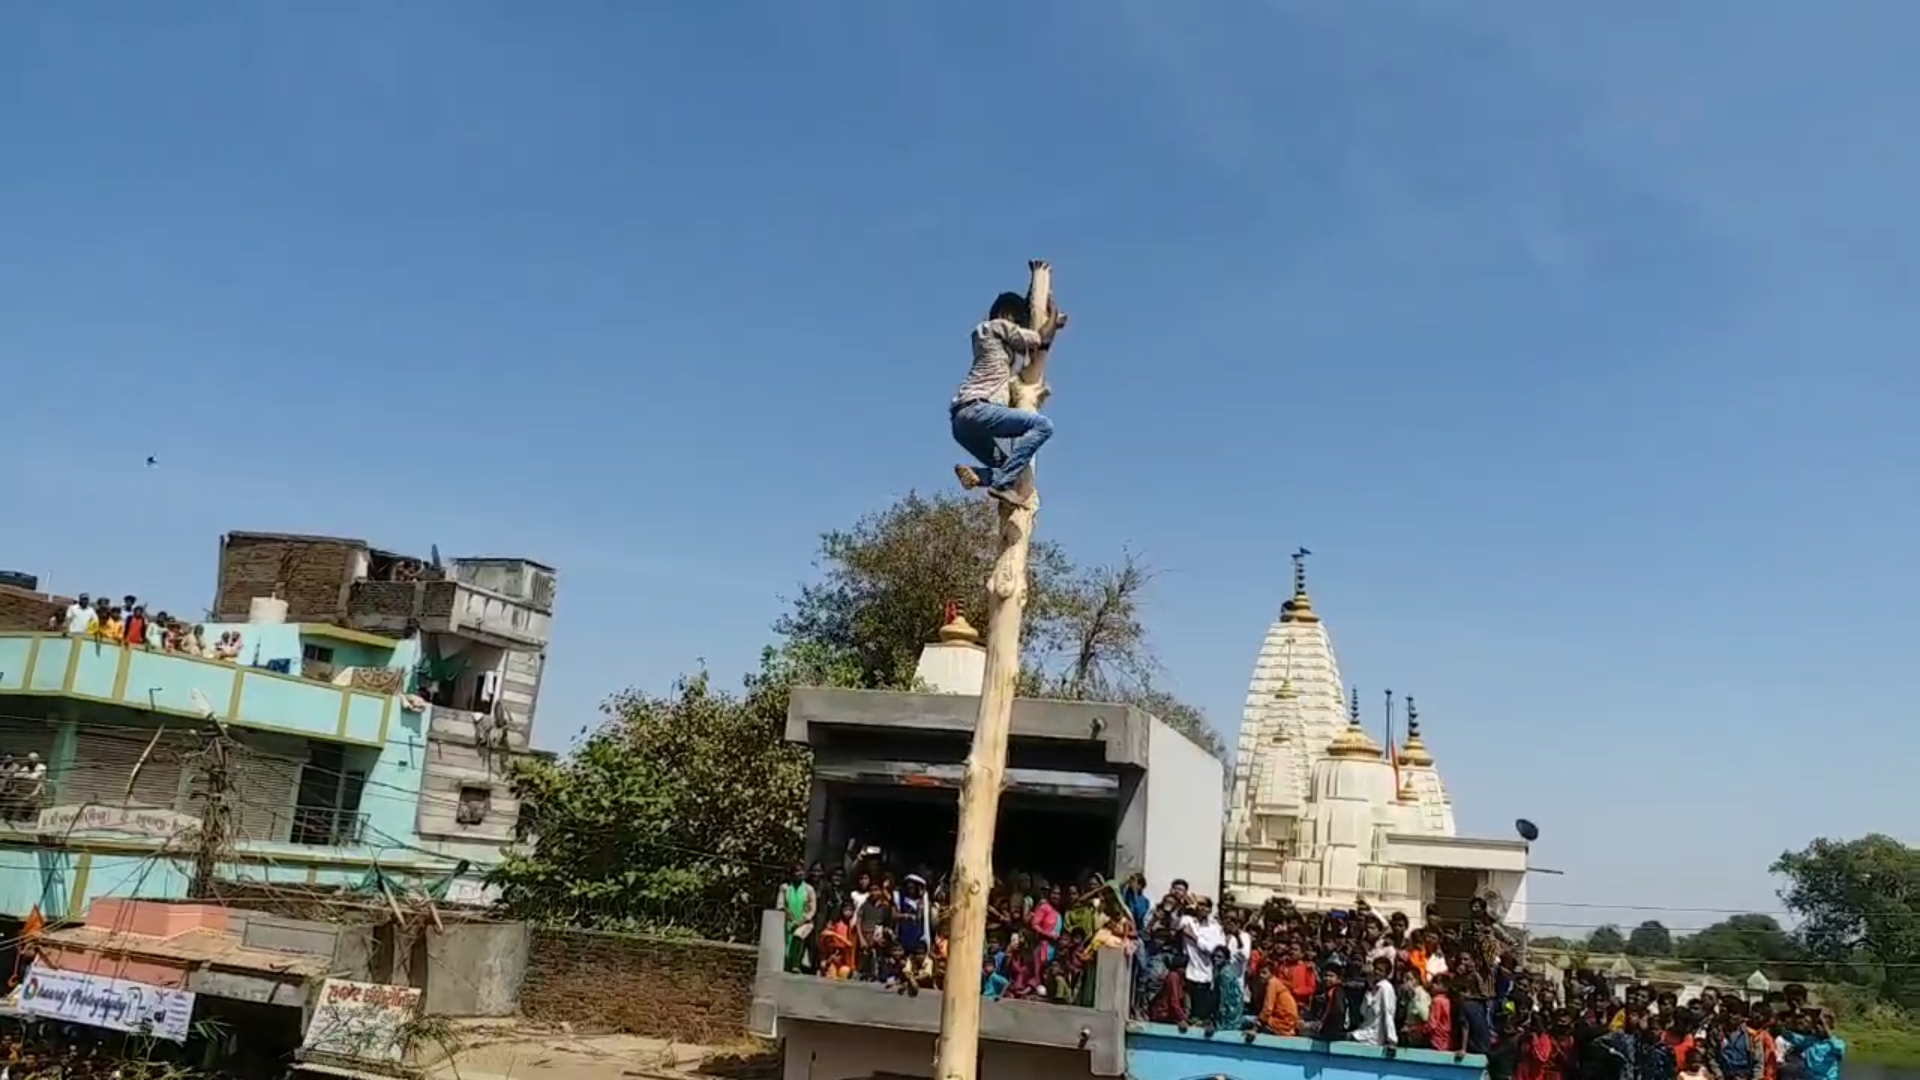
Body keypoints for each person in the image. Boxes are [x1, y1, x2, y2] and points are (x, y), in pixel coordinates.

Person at [950, 286, 1068, 511]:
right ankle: (1001, 484)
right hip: (978, 409)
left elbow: (1029, 353)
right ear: (1007, 316)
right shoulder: (997, 326)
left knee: (1012, 466)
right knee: (1043, 426)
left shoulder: (995, 347)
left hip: (962, 423)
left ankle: (979, 475)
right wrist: (1052, 314)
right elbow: (1039, 341)